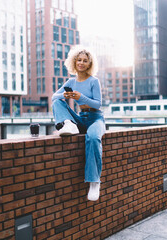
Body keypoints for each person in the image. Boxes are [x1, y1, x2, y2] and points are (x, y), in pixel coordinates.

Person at [52, 45, 105, 201]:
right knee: (58, 102)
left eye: (85, 61)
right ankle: (69, 124)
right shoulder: (71, 81)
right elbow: (55, 97)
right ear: (74, 62)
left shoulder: (94, 81)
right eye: (79, 60)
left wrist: (81, 97)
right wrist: (66, 94)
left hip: (95, 118)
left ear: (90, 64)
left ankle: (94, 182)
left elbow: (98, 104)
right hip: (80, 119)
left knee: (93, 138)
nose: (81, 63)